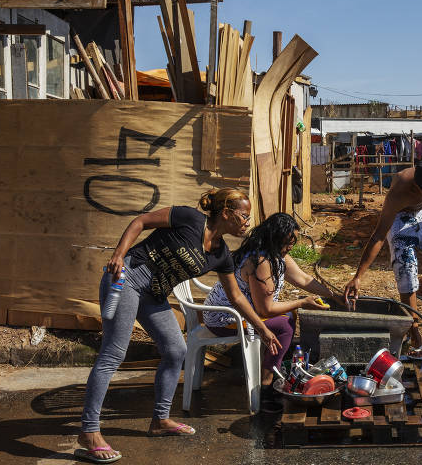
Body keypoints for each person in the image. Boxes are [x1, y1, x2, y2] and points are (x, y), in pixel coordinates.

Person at [77, 188, 282, 464]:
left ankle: (160, 420)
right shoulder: (189, 218)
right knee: (114, 353)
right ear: (226, 213)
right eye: (244, 216)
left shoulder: (221, 254)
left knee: (176, 350)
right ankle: (89, 432)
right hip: (127, 279)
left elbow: (235, 297)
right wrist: (118, 254)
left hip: (154, 295)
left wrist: (263, 328)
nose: (248, 222)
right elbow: (141, 222)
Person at [204, 212, 347, 413]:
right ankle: (266, 387)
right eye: (288, 242)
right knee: (285, 325)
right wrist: (301, 302)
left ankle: (270, 369)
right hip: (224, 319)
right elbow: (266, 309)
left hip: (238, 313)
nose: (291, 246)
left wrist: (333, 295)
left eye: (293, 241)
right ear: (275, 239)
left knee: (287, 317)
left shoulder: (275, 255)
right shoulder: (261, 262)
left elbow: (304, 279)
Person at [344, 158, 422, 359]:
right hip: (400, 219)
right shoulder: (399, 191)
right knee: (406, 272)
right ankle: (413, 331)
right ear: (417, 187)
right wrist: (358, 276)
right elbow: (379, 235)